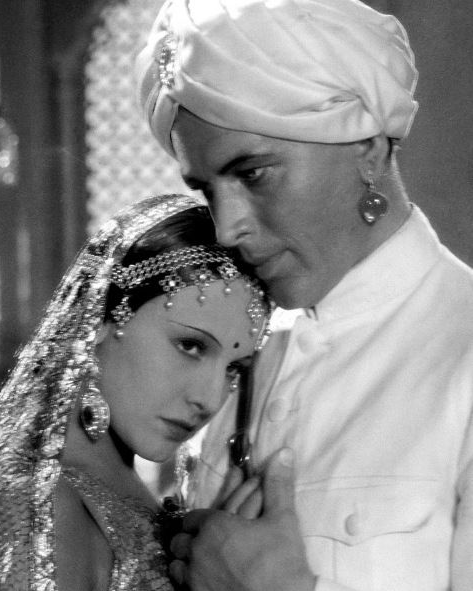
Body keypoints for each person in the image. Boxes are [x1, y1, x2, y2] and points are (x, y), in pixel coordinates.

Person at [134, 1, 473, 590]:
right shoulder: (237, 354)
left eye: (252, 174)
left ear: (367, 149)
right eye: (206, 190)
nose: (226, 229)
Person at [0, 193, 272, 590]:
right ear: (99, 321)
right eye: (190, 346)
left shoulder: (117, 498)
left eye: (234, 369)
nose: (210, 399)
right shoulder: (36, 506)